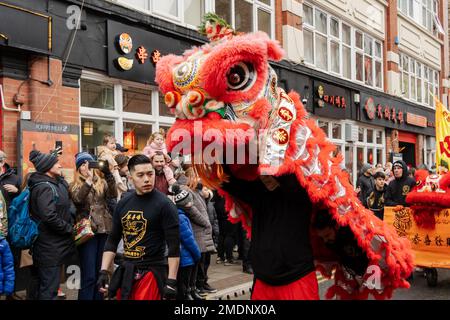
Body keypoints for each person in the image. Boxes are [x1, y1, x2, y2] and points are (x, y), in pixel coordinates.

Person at [221, 172, 319, 300]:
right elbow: (227, 178)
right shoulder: (258, 194)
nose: (265, 177)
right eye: (262, 173)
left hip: (297, 279)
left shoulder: (300, 193)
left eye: (269, 172)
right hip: (263, 281)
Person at [97, 155, 180, 300]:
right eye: (140, 175)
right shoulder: (123, 203)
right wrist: (103, 271)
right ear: (130, 176)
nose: (147, 179)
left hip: (152, 274)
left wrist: (172, 281)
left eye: (150, 174)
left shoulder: (165, 205)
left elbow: (174, 247)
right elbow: (112, 240)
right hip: (126, 271)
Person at [28, 148, 76, 300]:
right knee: (48, 290)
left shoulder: (56, 183)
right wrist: (68, 228)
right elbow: (49, 216)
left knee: (49, 287)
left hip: (57, 246)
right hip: (48, 247)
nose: (60, 166)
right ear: (47, 168)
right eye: (57, 163)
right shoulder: (43, 187)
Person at [70, 152, 117, 300]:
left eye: (89, 163)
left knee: (100, 273)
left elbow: (113, 194)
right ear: (78, 168)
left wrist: (109, 175)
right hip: (87, 232)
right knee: (89, 274)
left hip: (104, 229)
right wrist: (88, 181)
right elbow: (77, 199)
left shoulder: (101, 182)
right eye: (83, 164)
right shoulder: (74, 185)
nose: (86, 167)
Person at [184, 168, 216, 296]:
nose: (199, 178)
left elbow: (206, 206)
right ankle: (198, 285)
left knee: (206, 259)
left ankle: (203, 283)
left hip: (205, 229)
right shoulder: (187, 190)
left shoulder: (199, 190)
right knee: (200, 261)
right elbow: (192, 211)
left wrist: (208, 196)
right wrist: (205, 222)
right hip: (198, 230)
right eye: (196, 176)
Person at [312, 212, 369, 278]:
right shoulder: (331, 243)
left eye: (327, 235)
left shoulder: (354, 232)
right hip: (355, 275)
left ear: (336, 226)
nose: (325, 240)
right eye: (322, 238)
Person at [172, 184, 201, 300]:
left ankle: (190, 293)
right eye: (189, 202)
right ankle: (186, 296)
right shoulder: (181, 218)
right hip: (185, 256)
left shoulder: (181, 215)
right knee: (184, 280)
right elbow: (188, 239)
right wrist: (197, 253)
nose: (191, 203)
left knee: (187, 280)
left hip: (186, 256)